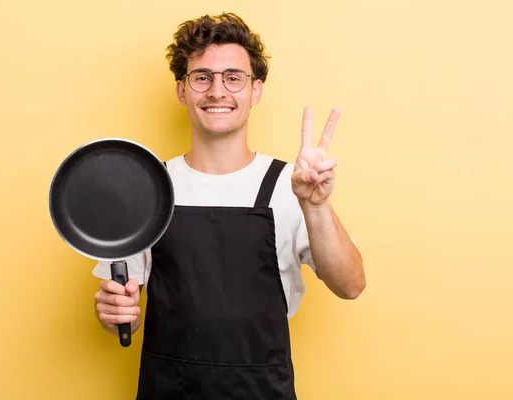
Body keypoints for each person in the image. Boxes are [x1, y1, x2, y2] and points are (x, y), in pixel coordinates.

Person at [92, 12, 365, 399]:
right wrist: (114, 312)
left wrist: (316, 205)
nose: (217, 91)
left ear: (255, 91)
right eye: (202, 77)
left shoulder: (293, 184)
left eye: (233, 78)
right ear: (182, 90)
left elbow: (351, 285)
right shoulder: (150, 188)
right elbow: (126, 314)